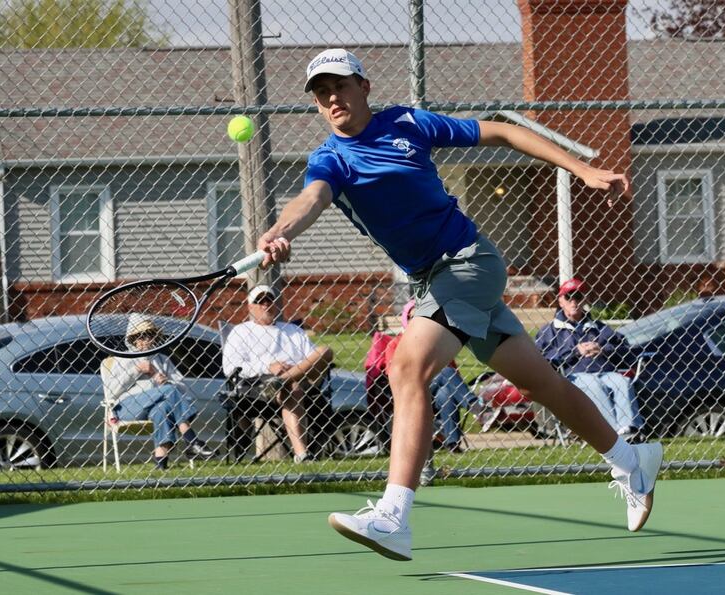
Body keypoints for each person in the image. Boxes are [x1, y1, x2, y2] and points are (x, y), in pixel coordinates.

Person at [256, 48, 663, 561]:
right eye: (321, 92)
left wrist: (580, 169)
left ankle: (393, 515)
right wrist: (281, 229)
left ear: (364, 86)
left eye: (339, 85)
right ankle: (632, 459)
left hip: (469, 261)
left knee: (407, 367)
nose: (331, 98)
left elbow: (502, 132)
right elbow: (310, 197)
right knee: (542, 384)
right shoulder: (331, 159)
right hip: (435, 278)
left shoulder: (408, 124)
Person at [221, 284, 334, 463]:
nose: (266, 304)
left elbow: (313, 358)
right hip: (260, 387)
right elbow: (230, 367)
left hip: (305, 380)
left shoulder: (293, 330)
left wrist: (291, 370)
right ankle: (302, 454)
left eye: (269, 300)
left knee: (325, 351)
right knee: (293, 387)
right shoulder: (241, 332)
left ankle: (283, 380)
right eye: (260, 301)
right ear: (250, 307)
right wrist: (268, 366)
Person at [535, 278, 644, 439]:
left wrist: (602, 349)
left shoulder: (598, 327)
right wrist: (574, 351)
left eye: (578, 297)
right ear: (560, 301)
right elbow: (543, 359)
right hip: (573, 376)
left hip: (605, 372)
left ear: (584, 299)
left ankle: (630, 429)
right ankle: (611, 434)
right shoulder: (550, 331)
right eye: (568, 297)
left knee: (622, 381)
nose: (574, 302)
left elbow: (625, 349)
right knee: (594, 385)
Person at [105, 316, 215, 470]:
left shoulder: (162, 360)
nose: (146, 340)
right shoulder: (122, 358)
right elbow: (111, 391)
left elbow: (181, 388)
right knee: (169, 391)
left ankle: (160, 464)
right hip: (127, 408)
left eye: (150, 335)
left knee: (162, 408)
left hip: (155, 406)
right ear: (133, 339)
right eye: (141, 336)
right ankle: (192, 440)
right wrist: (136, 370)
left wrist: (164, 382)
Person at [384, 300, 481, 452]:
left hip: (434, 392)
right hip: (411, 390)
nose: (417, 322)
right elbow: (394, 375)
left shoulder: (438, 341)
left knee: (446, 393)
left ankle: (452, 444)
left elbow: (455, 373)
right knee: (447, 372)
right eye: (412, 318)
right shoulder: (396, 343)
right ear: (406, 319)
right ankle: (476, 406)